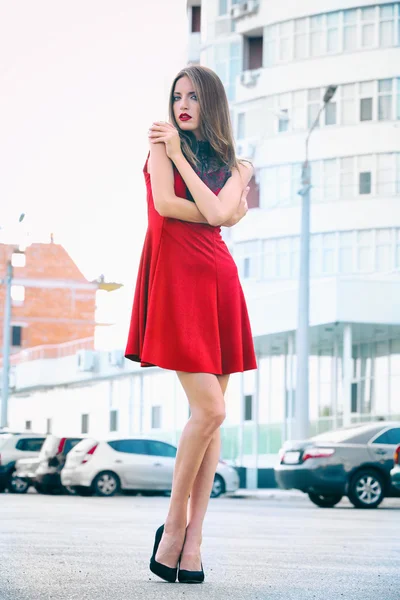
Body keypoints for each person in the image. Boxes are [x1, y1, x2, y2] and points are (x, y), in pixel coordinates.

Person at [125, 65, 257, 584]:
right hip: (176, 279)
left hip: (219, 283)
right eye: (177, 95)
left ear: (212, 104)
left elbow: (219, 209)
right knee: (211, 408)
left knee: (213, 418)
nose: (182, 104)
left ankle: (194, 542)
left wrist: (222, 208)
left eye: (194, 97)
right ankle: (174, 524)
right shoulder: (163, 146)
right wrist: (221, 209)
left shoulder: (237, 164)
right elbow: (164, 204)